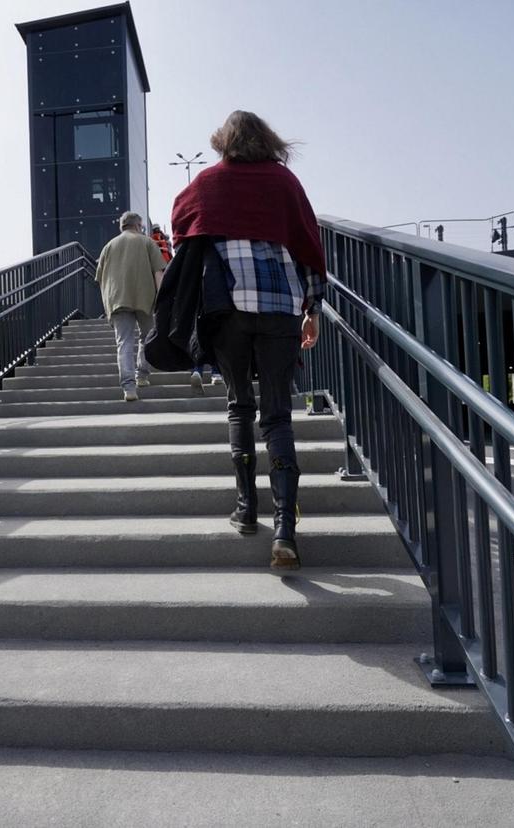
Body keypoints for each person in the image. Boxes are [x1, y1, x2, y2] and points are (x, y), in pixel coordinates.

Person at [171, 111, 325, 570]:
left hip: (228, 310)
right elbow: (308, 243)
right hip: (280, 308)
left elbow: (180, 227)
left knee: (240, 405)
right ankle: (285, 529)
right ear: (267, 141)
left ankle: (246, 509)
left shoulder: (206, 182)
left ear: (222, 141)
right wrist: (311, 309)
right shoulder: (284, 182)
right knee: (278, 416)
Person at [95, 211, 166, 401]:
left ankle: (128, 388)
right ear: (137, 226)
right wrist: (162, 300)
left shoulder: (108, 247)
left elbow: (100, 279)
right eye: (142, 227)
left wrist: (107, 303)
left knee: (124, 342)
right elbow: (159, 273)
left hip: (117, 300)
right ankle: (141, 375)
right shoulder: (147, 242)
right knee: (147, 337)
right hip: (146, 298)